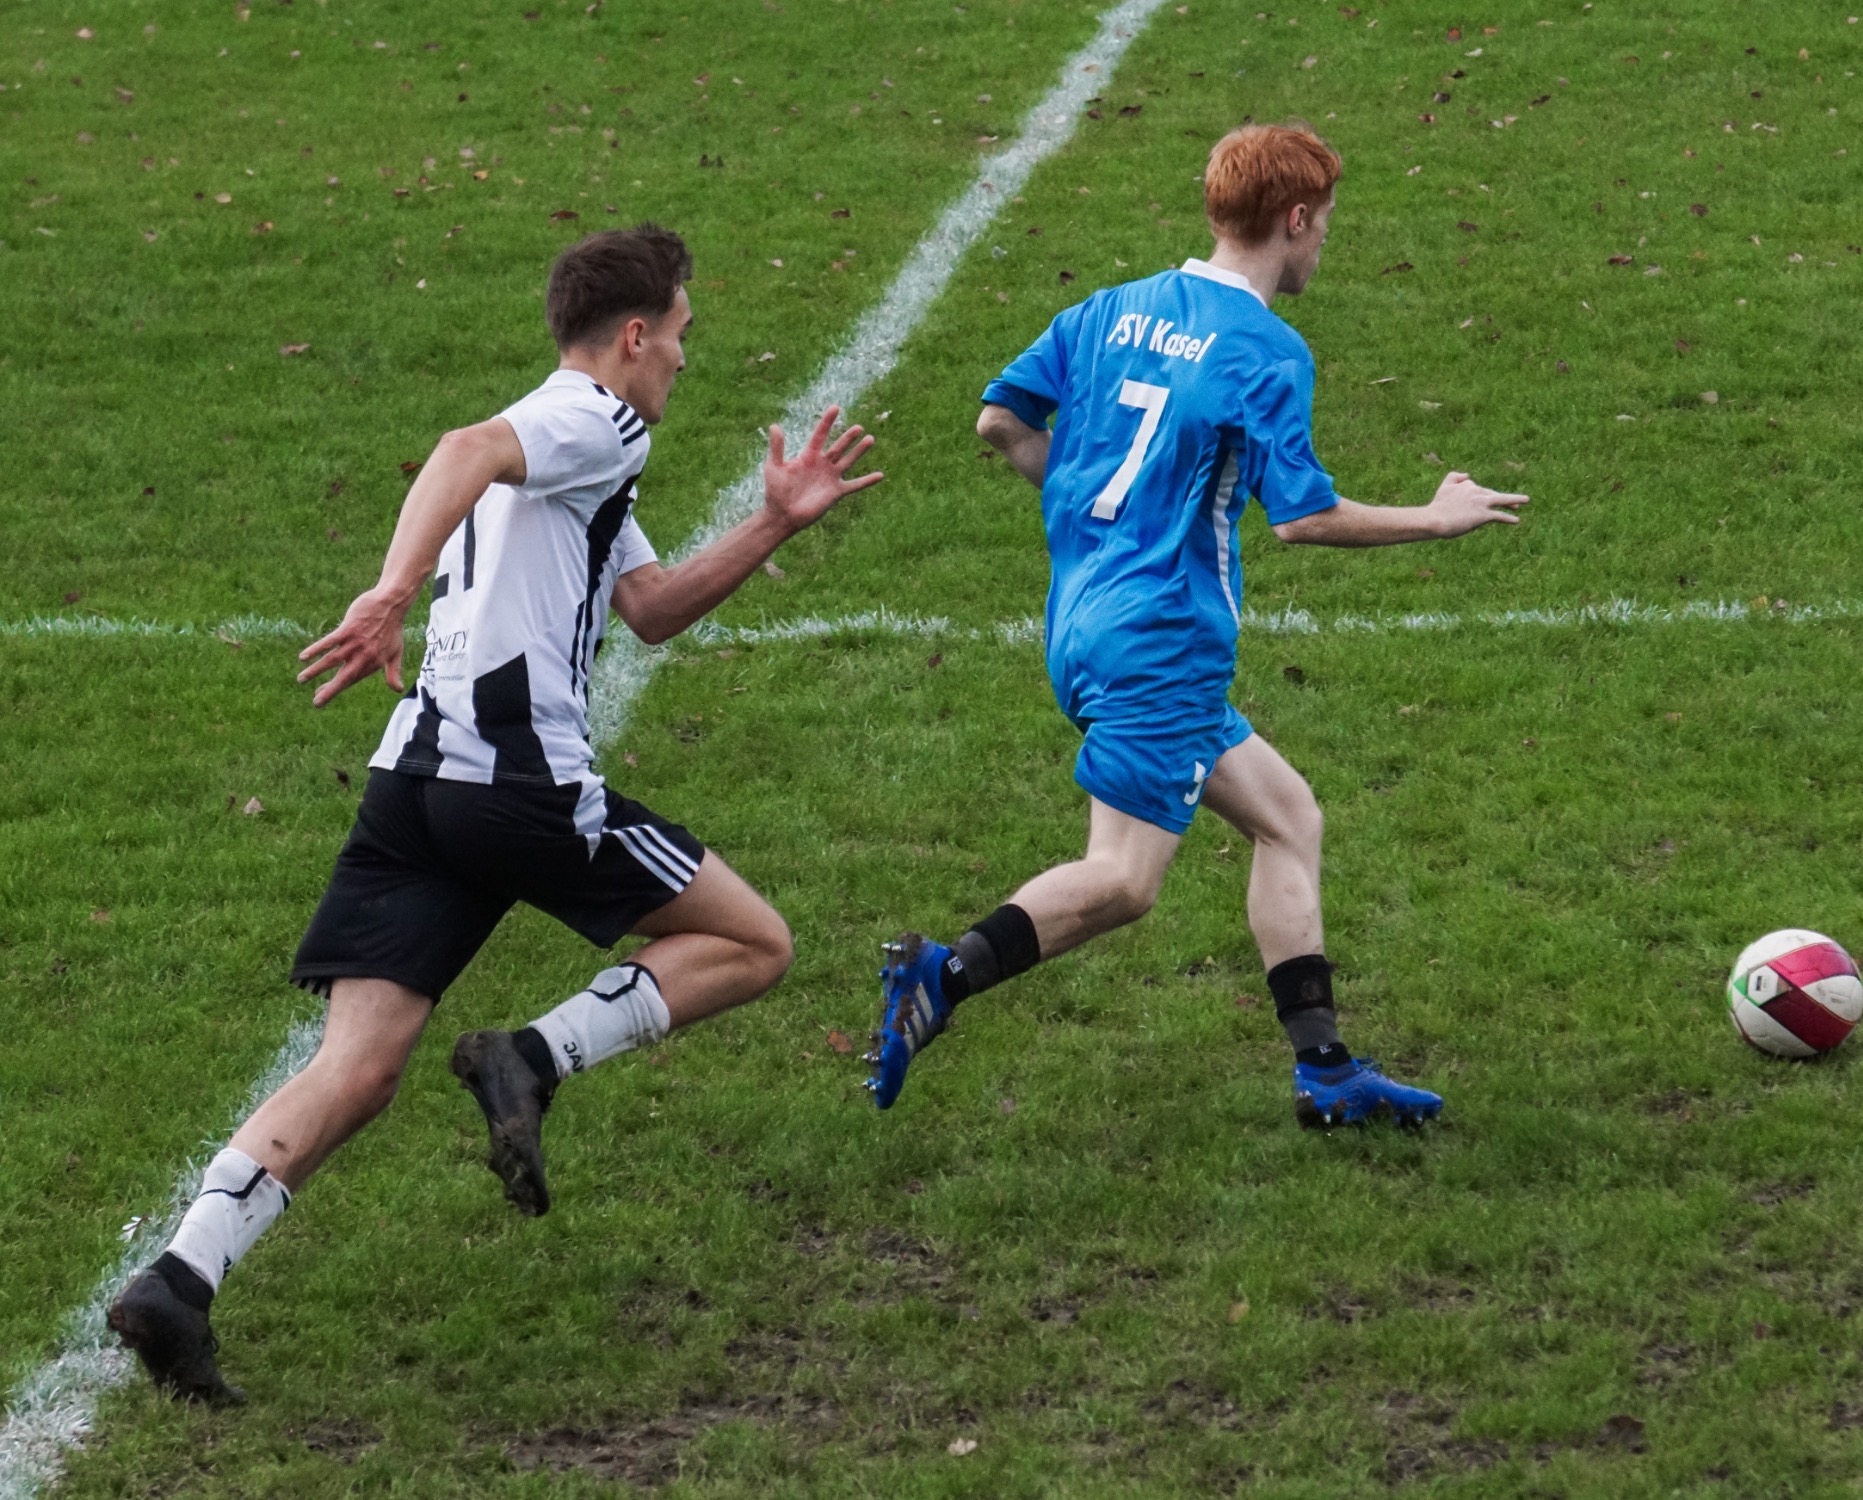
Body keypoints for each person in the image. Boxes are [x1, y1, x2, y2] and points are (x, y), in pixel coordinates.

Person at [107, 224, 882, 1403]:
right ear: (633, 337)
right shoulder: (593, 419)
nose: (685, 359)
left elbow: (651, 607)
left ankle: (179, 1281)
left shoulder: (564, 448)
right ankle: (529, 1056)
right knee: (753, 942)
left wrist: (774, 520)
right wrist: (388, 593)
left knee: (360, 1065)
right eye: (681, 335)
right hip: (517, 784)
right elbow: (459, 448)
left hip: (413, 786)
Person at [865, 124, 1525, 1129]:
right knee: (1124, 880)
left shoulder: (1107, 309)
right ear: (1292, 219)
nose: (1323, 242)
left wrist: (1096, 510)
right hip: (1164, 638)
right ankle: (941, 974)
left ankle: (1325, 1070)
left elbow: (999, 420)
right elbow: (1302, 518)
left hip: (1080, 620)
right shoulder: (1265, 349)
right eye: (1323, 224)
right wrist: (1435, 517)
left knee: (1287, 816)